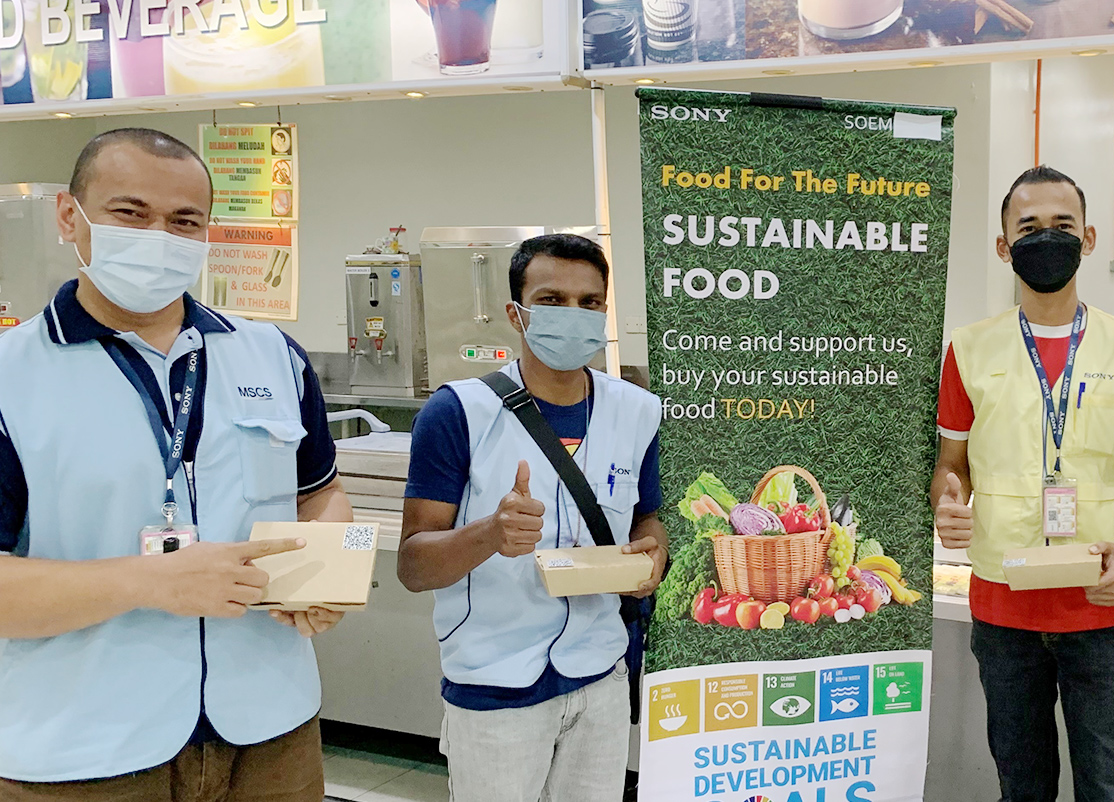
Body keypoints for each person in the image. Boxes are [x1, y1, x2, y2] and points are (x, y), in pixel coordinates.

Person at [0, 128, 353, 799]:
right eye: (130, 214)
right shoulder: (11, 378)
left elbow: (320, 493)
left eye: (184, 221)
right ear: (69, 217)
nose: (160, 237)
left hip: (272, 728)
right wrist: (147, 582)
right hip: (84, 749)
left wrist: (328, 568)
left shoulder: (271, 354)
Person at [398, 233, 667, 802]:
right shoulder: (460, 413)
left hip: (601, 675)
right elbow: (414, 566)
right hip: (496, 685)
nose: (574, 316)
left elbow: (647, 517)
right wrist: (489, 534)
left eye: (590, 303)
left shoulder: (636, 411)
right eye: (551, 300)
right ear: (515, 314)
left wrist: (653, 551)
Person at [933, 165, 1114, 802]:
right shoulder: (969, 350)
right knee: (1022, 786)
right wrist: (947, 503)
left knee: (1112, 789)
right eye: (1028, 227)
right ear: (1004, 245)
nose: (1047, 238)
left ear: (1087, 238)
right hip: (1003, 609)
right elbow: (952, 465)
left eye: (1062, 225)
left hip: (1098, 604)